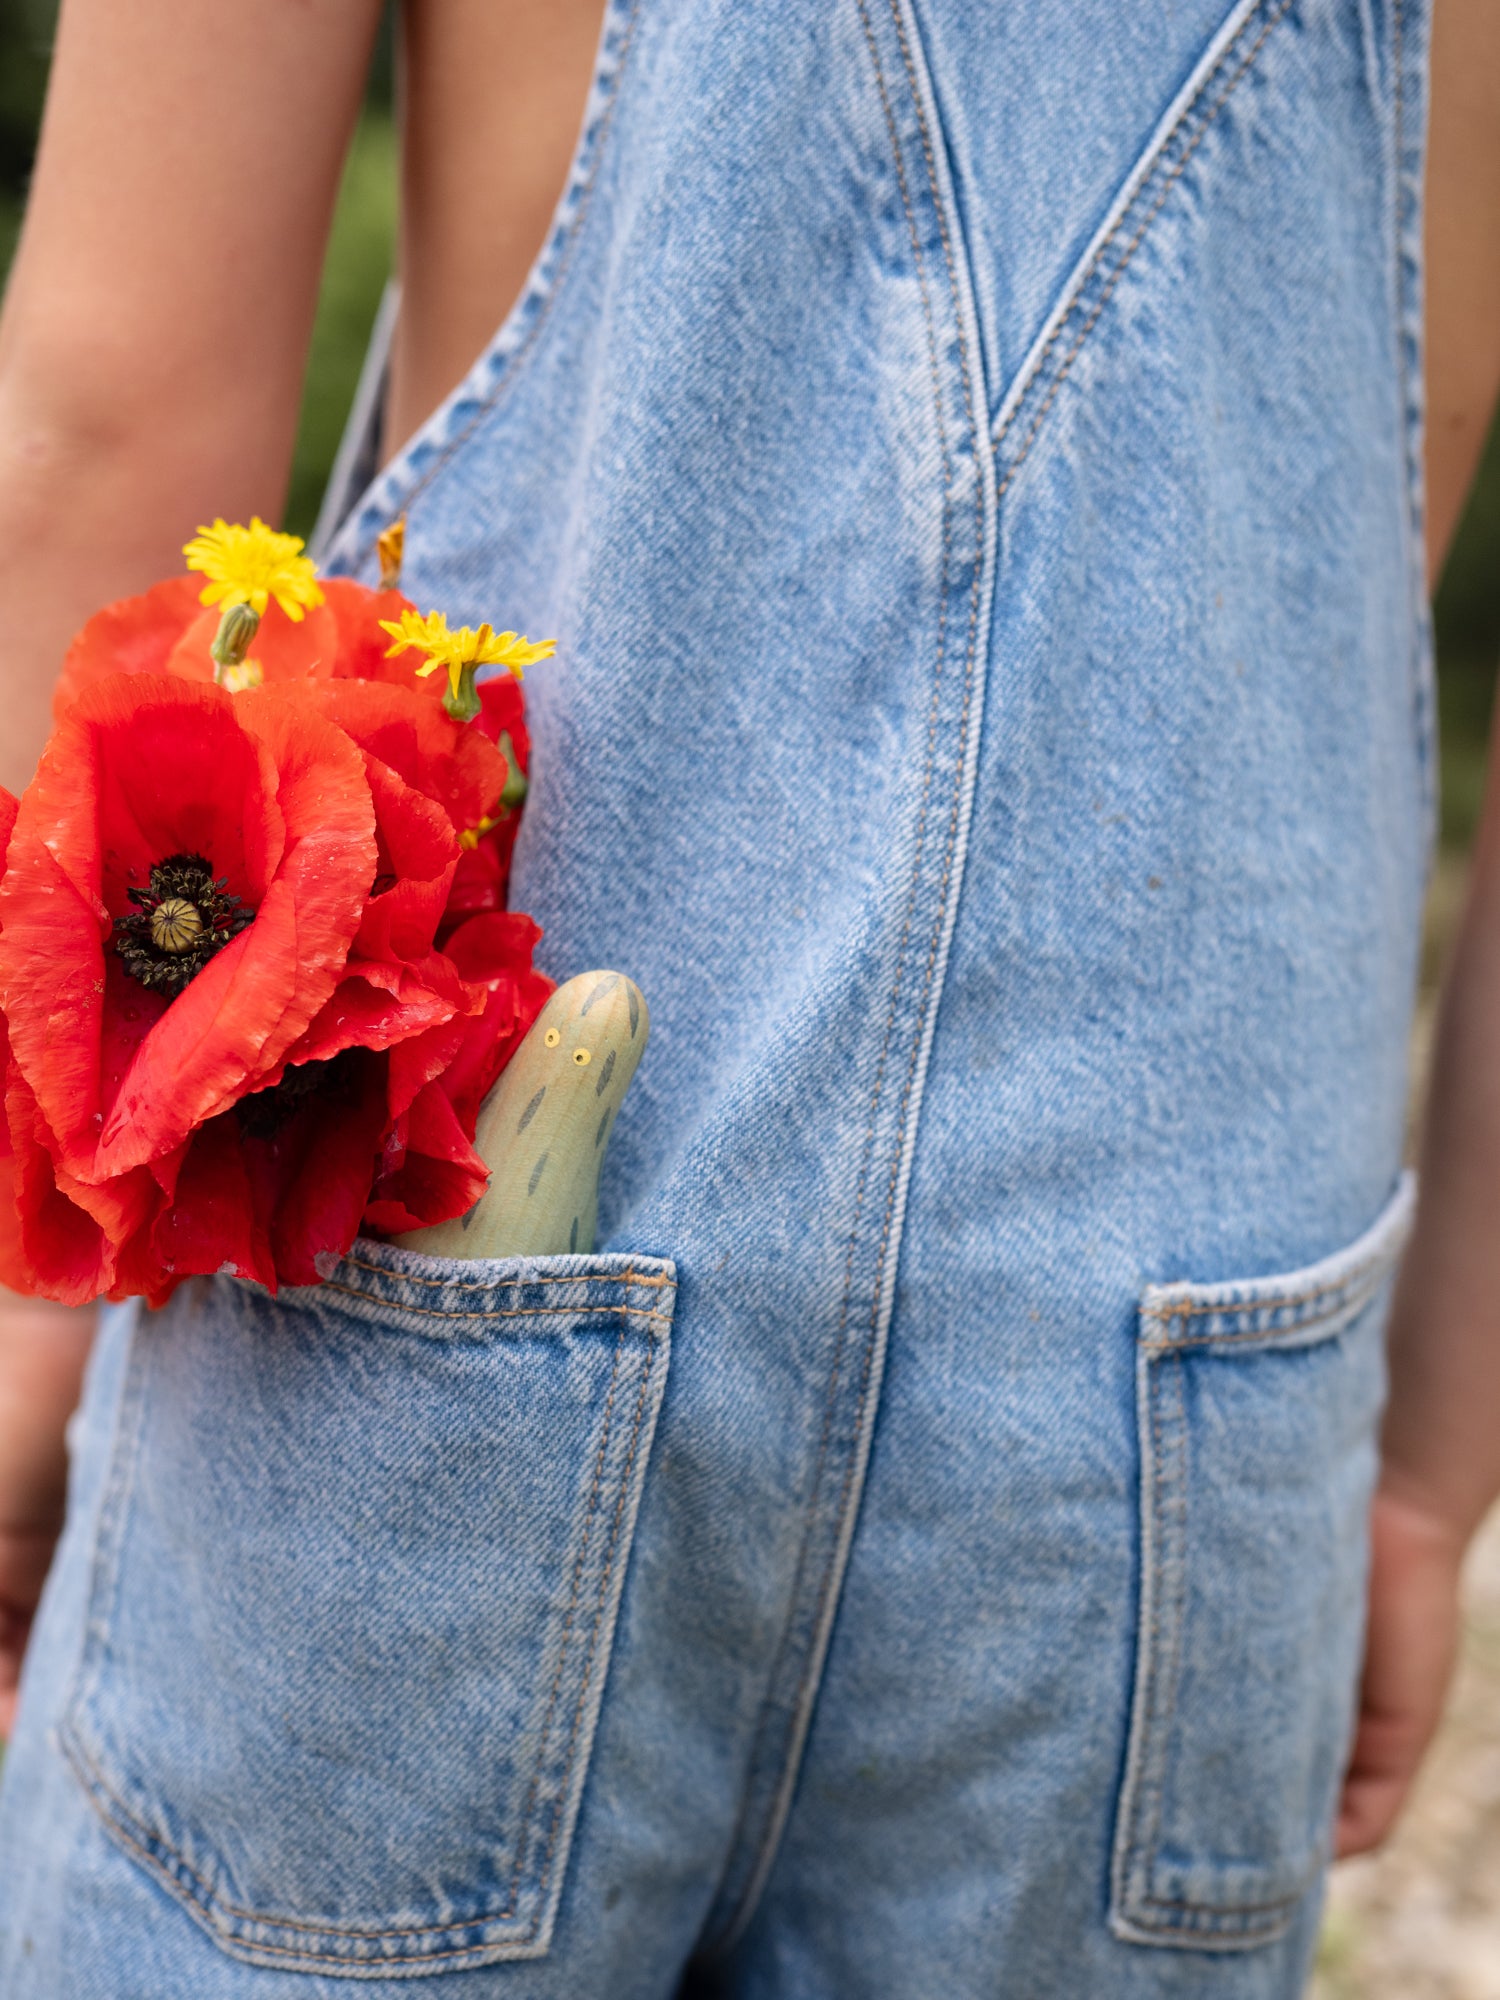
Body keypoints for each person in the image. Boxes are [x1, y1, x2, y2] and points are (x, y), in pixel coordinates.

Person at [0, 0, 1495, 1992]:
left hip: (426, 1234)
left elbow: (106, 418)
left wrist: (35, 1295)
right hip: (1162, 1450)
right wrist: (1421, 1460)